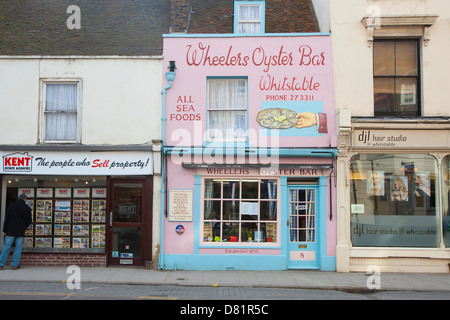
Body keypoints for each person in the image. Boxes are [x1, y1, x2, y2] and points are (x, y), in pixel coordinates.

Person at [0, 193, 32, 270]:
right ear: (25, 199)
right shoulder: (26, 208)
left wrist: (5, 230)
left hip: (10, 230)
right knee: (18, 248)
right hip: (20, 231)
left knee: (6, 247)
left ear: (18, 198)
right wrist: (24, 226)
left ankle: (1, 264)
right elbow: (29, 221)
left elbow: (6, 218)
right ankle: (14, 265)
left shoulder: (11, 206)